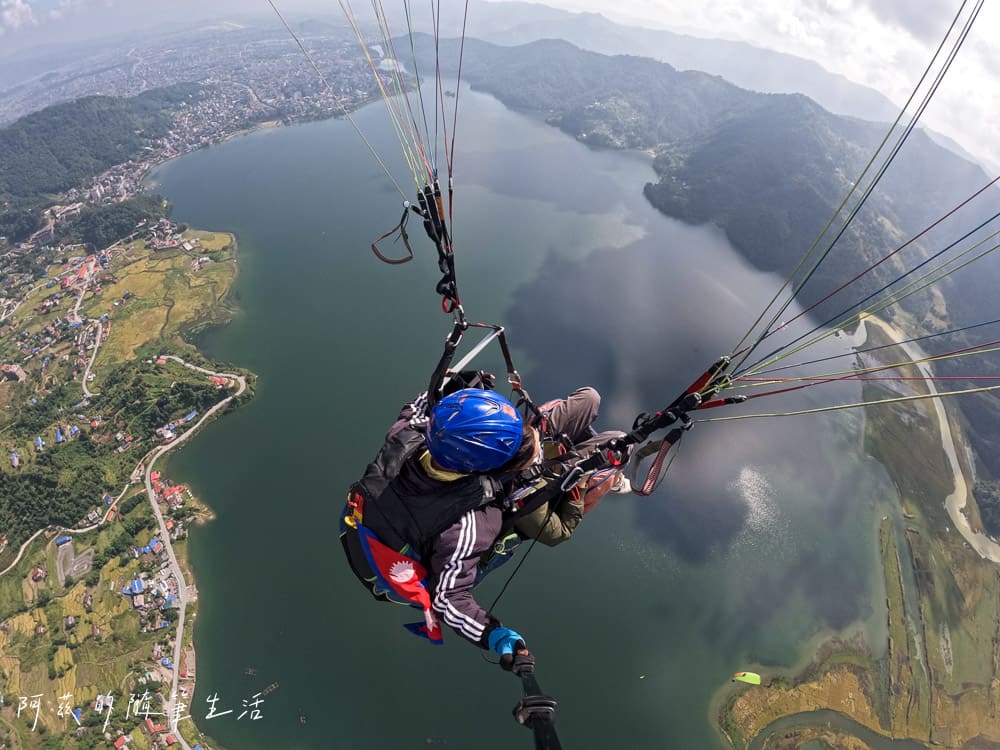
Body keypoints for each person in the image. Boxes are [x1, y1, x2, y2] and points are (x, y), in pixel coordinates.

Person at [340, 382, 629, 669]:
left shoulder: (406, 439)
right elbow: (448, 597)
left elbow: (417, 407)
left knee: (590, 399)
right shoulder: (471, 524)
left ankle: (539, 443)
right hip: (476, 513)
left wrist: (456, 392)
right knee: (619, 444)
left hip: (426, 500)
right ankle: (605, 477)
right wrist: (492, 634)